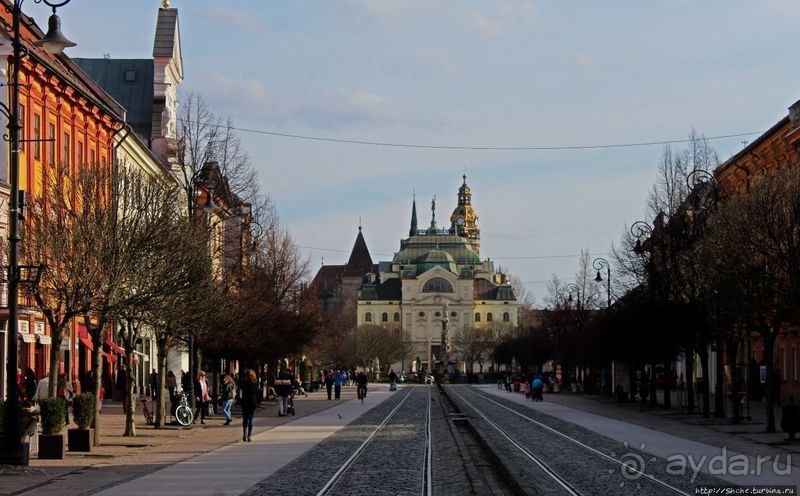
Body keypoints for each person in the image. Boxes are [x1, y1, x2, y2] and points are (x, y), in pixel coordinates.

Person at [239, 369, 258, 442]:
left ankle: (244, 433)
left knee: (245, 418)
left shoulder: (243, 381)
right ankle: (249, 436)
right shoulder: (254, 381)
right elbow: (256, 391)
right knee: (251, 419)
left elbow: (240, 390)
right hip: (252, 402)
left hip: (244, 401)